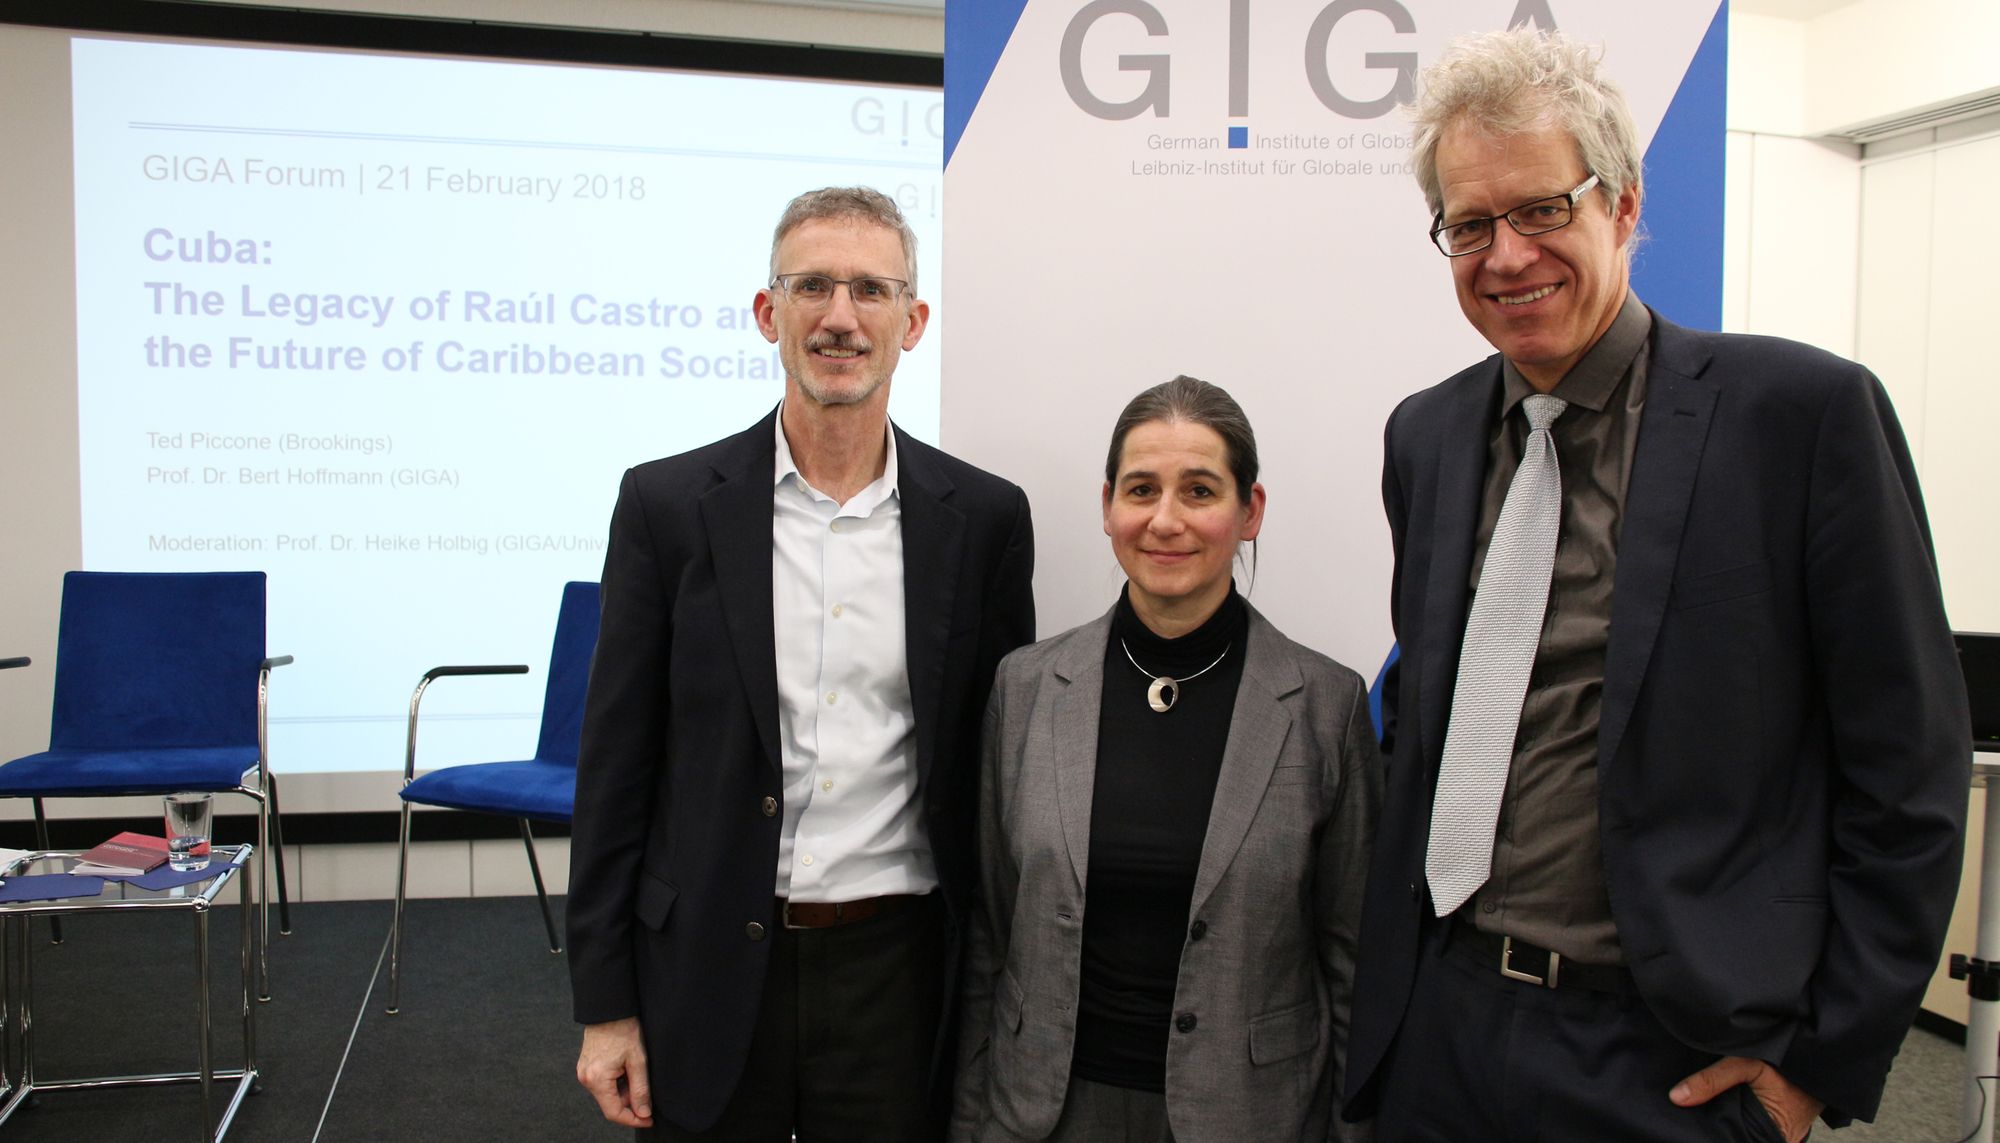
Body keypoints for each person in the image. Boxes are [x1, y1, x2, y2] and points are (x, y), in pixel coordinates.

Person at [1343, 28, 1971, 1143]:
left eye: (1541, 209)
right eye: (1469, 224)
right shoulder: (1426, 437)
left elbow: (1908, 772)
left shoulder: (1799, 420)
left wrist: (1814, 1061)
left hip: (1666, 1060)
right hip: (1440, 1032)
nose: (1504, 255)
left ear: (1621, 206)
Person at [567, 185, 1037, 1141]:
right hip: (705, 958)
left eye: (871, 290)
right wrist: (605, 1001)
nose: (840, 317)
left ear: (913, 321)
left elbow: (998, 770)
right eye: (813, 286)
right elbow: (618, 768)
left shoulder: (984, 521)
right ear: (767, 312)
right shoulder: (667, 508)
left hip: (898, 970)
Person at [952, 376, 1379, 1142]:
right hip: (1043, 1114)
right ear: (1109, 504)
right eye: (1142, 489)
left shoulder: (1324, 704)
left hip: (1248, 1118)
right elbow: (990, 931)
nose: (1165, 519)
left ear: (1250, 512)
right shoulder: (1026, 688)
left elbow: (1350, 962)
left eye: (1201, 490)